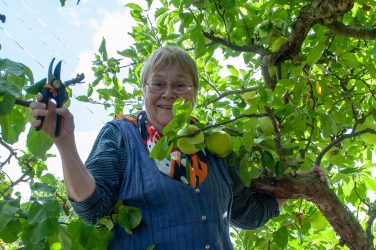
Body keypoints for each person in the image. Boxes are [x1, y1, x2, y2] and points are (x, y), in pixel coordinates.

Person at [30, 46, 326, 250]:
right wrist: (65, 143)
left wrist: (301, 187)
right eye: (157, 84)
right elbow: (92, 207)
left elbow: (248, 214)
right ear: (144, 91)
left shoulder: (215, 149)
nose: (168, 93)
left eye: (181, 85)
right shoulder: (122, 135)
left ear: (194, 93)